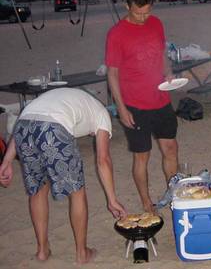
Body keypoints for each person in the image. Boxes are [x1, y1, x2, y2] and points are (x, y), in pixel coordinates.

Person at [0, 88, 126, 265]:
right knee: (77, 192)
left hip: (23, 127)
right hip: (53, 128)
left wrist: (6, 161)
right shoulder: (102, 114)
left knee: (38, 189)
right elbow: (103, 160)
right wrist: (112, 200)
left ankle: (42, 251)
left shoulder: (73, 100)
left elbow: (30, 119)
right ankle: (82, 253)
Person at [106, 0, 178, 212]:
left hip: (161, 99)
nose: (143, 17)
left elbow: (162, 53)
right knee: (142, 157)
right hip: (135, 105)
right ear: (127, 7)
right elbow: (112, 73)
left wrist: (168, 71)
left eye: (147, 12)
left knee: (171, 148)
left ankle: (173, 194)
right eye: (138, 13)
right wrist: (121, 108)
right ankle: (147, 202)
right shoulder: (116, 34)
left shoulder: (156, 23)